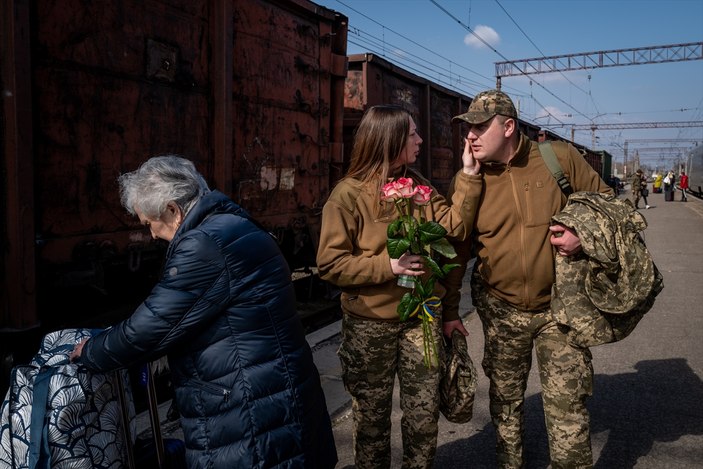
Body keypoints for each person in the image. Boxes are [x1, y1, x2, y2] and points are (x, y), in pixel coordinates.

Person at [70, 155, 337, 468]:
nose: (153, 235)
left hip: (249, 413)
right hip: (274, 397)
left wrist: (91, 351)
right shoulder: (230, 224)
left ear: (172, 209)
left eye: (150, 224)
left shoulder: (204, 244)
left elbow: (150, 327)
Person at [445, 89, 613, 469]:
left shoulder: (559, 159)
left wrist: (581, 234)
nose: (469, 136)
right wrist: (451, 311)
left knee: (568, 406)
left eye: (478, 127)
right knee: (505, 404)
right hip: (501, 309)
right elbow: (455, 250)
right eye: (466, 129)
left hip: (561, 308)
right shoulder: (469, 179)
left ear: (508, 127)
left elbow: (607, 204)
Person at [316, 105, 479, 469]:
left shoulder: (417, 186)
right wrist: (388, 267)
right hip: (368, 325)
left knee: (423, 416)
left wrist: (467, 176)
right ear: (388, 140)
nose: (420, 140)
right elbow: (329, 263)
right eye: (412, 135)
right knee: (371, 420)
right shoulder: (347, 196)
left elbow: (455, 225)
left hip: (420, 319)